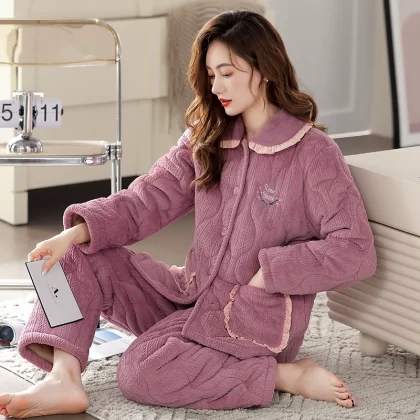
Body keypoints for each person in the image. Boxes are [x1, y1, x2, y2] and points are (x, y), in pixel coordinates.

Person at [0, 9, 376, 418]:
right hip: (190, 294)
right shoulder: (208, 136)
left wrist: (269, 272)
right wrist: (71, 235)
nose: (216, 87)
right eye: (211, 75)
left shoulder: (313, 153)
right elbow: (146, 200)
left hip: (254, 318)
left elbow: (355, 250)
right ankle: (64, 378)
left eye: (227, 73)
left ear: (265, 69)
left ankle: (284, 375)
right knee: (72, 254)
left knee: (142, 372)